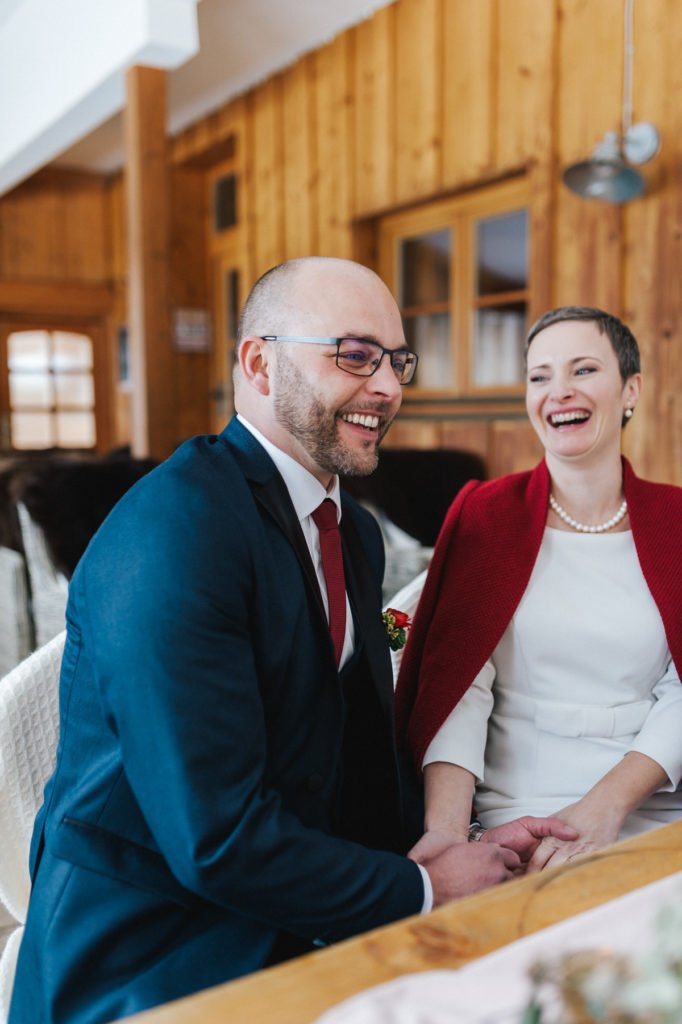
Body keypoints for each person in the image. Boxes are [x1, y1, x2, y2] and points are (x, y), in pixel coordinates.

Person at [9, 258, 574, 1024]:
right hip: (151, 956)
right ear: (258, 363)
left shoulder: (355, 534)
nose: (388, 387)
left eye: (396, 360)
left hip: (296, 916)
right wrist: (425, 889)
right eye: (353, 354)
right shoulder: (177, 533)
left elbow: (354, 756)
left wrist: (453, 845)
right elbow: (215, 838)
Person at [396, 306, 682, 875]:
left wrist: (603, 810)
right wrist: (450, 839)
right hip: (519, 807)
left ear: (631, 389)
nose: (559, 392)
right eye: (540, 376)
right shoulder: (484, 515)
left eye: (583, 370)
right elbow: (458, 688)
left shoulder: (677, 519)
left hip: (654, 799)